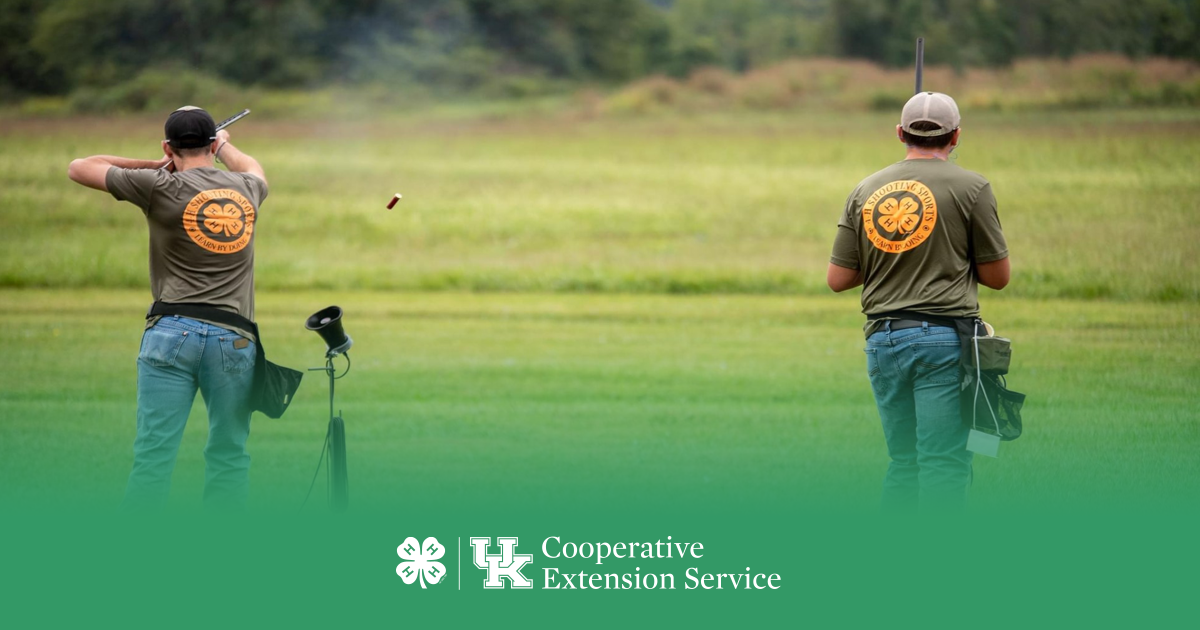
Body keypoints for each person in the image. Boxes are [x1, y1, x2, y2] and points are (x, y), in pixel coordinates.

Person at [67, 106, 268, 509]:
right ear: (213, 144)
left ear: (168, 146)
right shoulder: (246, 189)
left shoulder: (157, 186)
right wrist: (226, 149)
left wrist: (156, 164)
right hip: (234, 338)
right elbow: (252, 167)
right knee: (229, 458)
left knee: (153, 461)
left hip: (171, 333)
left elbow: (79, 167)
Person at [827, 92, 1010, 509]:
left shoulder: (866, 188)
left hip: (882, 341)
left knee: (904, 464)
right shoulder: (973, 187)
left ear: (899, 133)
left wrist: (891, 250)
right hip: (944, 341)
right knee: (944, 464)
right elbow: (998, 278)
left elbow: (839, 278)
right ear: (956, 136)